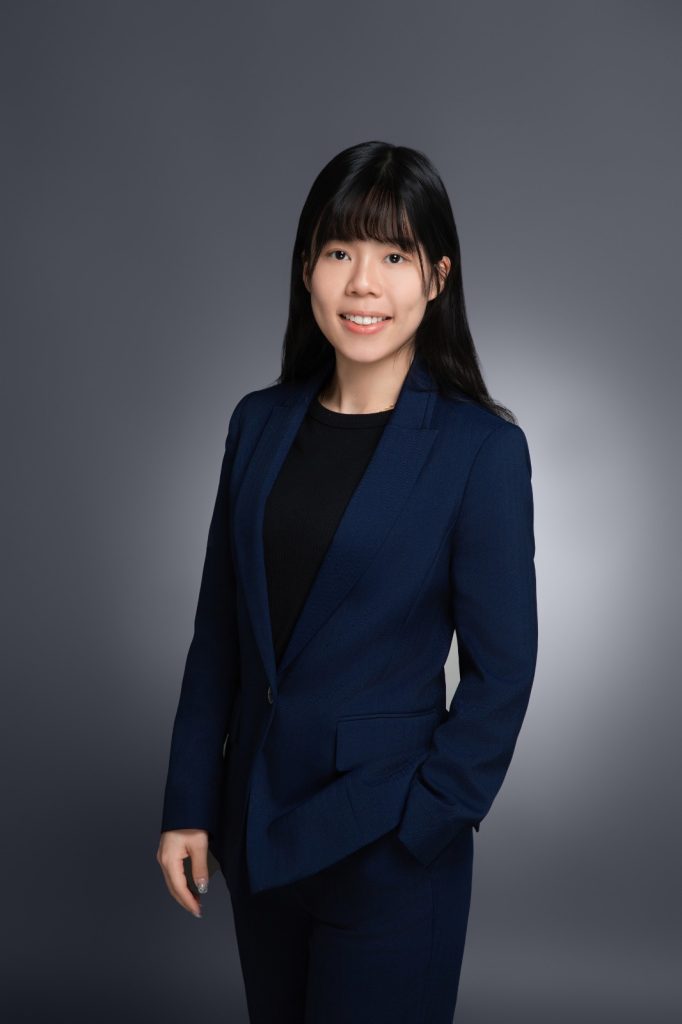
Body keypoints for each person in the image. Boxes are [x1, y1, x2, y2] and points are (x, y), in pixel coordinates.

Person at [156, 140, 538, 1023]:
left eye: (395, 256)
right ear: (307, 271)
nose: (364, 283)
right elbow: (219, 637)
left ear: (437, 278)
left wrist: (427, 823)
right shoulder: (258, 423)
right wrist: (189, 806)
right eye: (339, 252)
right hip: (260, 834)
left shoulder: (480, 450)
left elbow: (503, 671)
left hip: (389, 844)